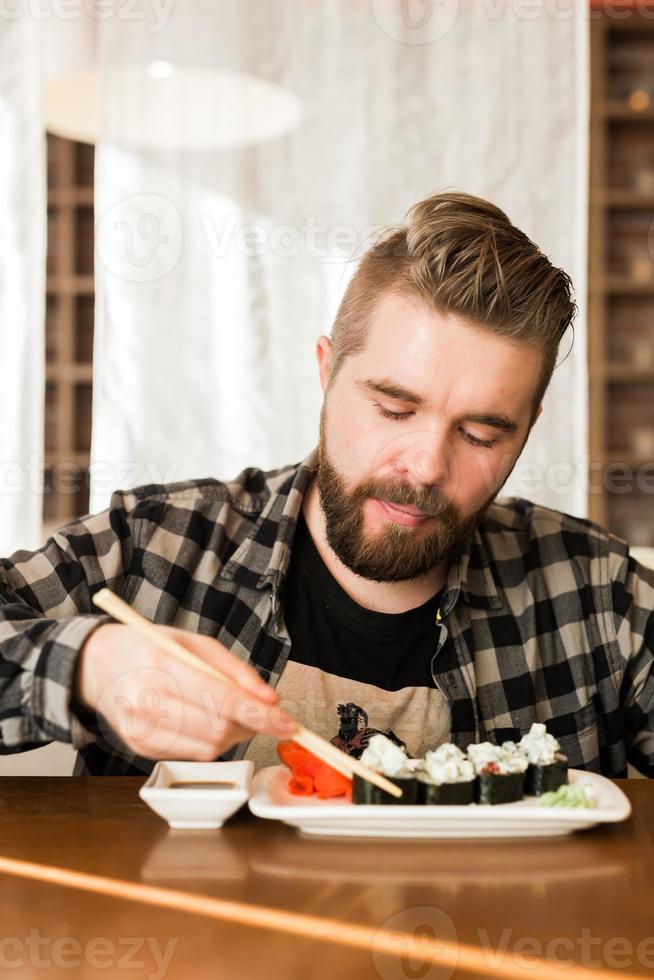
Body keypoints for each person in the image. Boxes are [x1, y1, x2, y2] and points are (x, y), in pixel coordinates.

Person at [1, 192, 652, 777]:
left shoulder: (595, 593)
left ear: (528, 429)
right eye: (394, 409)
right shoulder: (154, 548)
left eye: (482, 435)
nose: (426, 466)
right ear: (326, 372)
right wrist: (89, 662)